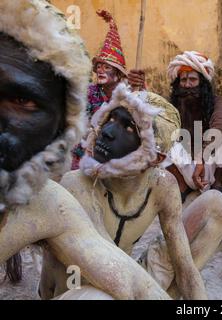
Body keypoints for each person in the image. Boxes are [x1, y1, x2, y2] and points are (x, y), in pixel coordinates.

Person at [0, 0, 170, 300]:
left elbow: (133, 284)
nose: (101, 71)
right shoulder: (92, 99)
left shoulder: (50, 201)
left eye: (23, 103)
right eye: (99, 67)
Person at [39, 84, 222, 299]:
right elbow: (105, 265)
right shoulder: (76, 185)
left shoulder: (162, 185)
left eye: (129, 129)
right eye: (111, 119)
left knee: (218, 204)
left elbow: (185, 268)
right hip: (77, 290)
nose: (108, 132)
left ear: (156, 158)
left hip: (128, 281)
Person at [71, 9, 180, 169]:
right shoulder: (89, 92)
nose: (100, 70)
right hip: (91, 146)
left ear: (117, 73)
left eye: (106, 67)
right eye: (99, 67)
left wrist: (138, 88)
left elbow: (142, 117)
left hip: (122, 153)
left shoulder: (129, 92)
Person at [166, 51, 222, 201]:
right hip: (183, 166)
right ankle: (182, 186)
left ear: (202, 82)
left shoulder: (215, 102)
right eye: (183, 80)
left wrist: (202, 158)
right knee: (157, 131)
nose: (187, 85)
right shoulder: (172, 105)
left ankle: (218, 183)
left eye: (193, 80)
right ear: (178, 83)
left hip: (209, 166)